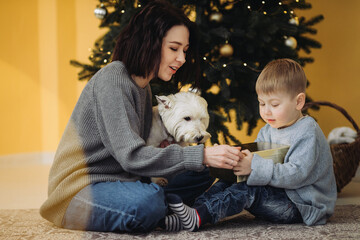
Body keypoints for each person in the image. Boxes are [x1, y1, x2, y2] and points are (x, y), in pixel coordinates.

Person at [40, 0, 242, 233]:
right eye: (174, 48)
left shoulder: (143, 87)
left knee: (201, 172)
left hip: (124, 180)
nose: (182, 59)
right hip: (81, 189)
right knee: (148, 202)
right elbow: (132, 156)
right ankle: (165, 207)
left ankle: (169, 208)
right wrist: (202, 154)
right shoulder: (113, 79)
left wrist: (179, 153)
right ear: (150, 42)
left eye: (184, 51)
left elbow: (137, 152)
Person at [163, 58, 337, 231]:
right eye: (262, 103)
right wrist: (240, 162)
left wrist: (253, 166)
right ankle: (195, 212)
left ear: (299, 102)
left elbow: (297, 174)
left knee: (248, 189)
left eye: (274, 104)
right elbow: (261, 161)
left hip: (300, 205)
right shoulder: (268, 129)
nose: (266, 110)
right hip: (276, 194)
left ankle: (201, 214)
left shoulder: (308, 131)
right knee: (227, 181)